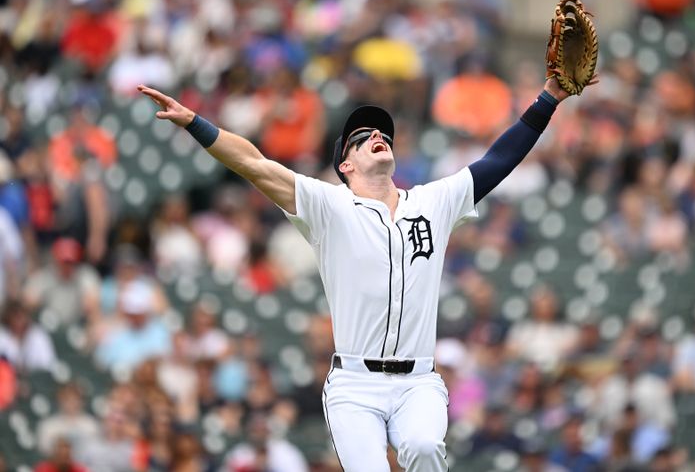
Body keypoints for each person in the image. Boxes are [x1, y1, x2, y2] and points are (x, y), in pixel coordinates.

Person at [138, 62, 582, 471]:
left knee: (425, 447)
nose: (377, 135)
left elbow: (499, 160)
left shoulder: (433, 202)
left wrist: (548, 99)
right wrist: (196, 123)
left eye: (383, 133)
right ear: (345, 165)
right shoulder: (329, 206)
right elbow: (254, 164)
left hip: (419, 381)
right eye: (362, 136)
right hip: (355, 384)